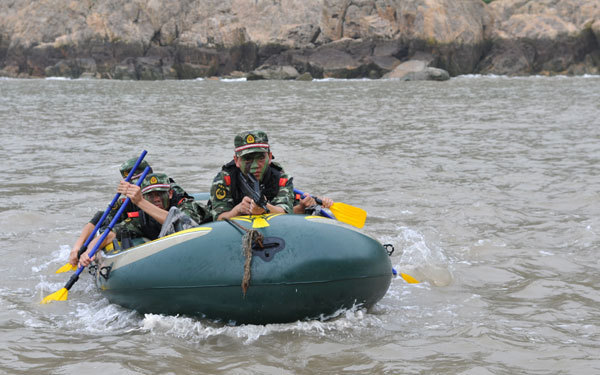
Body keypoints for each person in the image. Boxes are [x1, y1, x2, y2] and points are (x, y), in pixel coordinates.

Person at [79, 173, 210, 267]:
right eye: (151, 195)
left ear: (170, 194)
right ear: (146, 197)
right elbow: (109, 234)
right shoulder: (142, 218)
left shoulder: (187, 205)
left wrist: (140, 201)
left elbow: (182, 224)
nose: (156, 199)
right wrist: (89, 251)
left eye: (160, 194)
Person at [67, 158, 153, 267]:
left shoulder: (169, 192)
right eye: (130, 185)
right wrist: (78, 247)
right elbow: (100, 219)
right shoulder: (127, 202)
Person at [209, 130, 294, 221]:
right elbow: (218, 218)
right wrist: (238, 209)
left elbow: (285, 213)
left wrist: (265, 207)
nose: (255, 166)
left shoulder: (281, 178)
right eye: (248, 159)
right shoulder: (225, 179)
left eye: (261, 158)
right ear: (236, 160)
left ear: (269, 157)